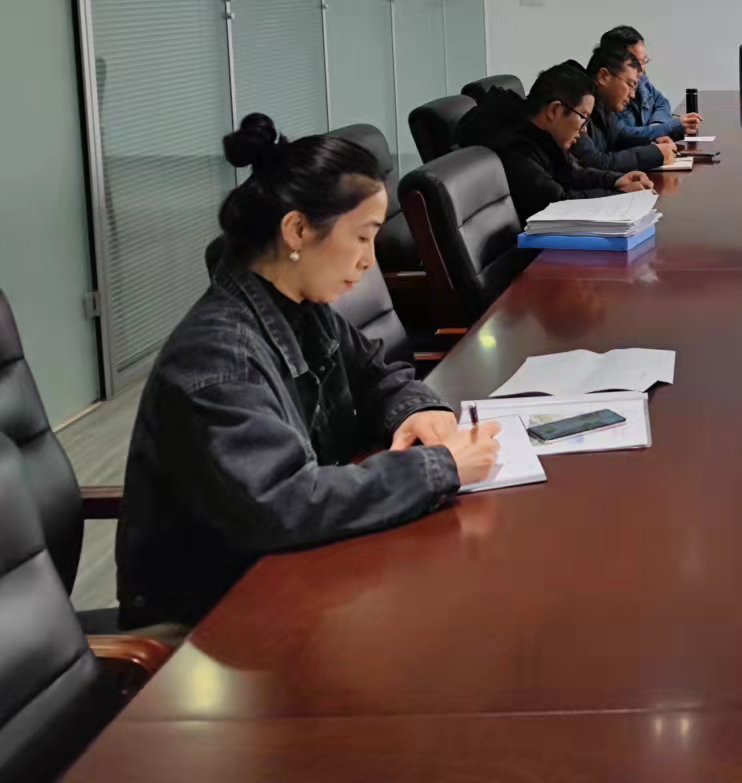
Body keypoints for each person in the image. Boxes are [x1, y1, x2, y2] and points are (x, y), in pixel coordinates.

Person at [117, 114, 501, 626]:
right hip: (213, 618)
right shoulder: (218, 358)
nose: (370, 261)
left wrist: (416, 410)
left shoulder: (298, 304)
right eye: (362, 238)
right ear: (297, 230)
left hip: (293, 572)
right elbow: (284, 504)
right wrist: (440, 468)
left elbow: (376, 371)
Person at [454, 60, 652, 222]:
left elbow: (571, 173)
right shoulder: (512, 147)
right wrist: (621, 197)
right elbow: (557, 202)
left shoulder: (539, 133)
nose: (584, 129)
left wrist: (617, 181)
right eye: (583, 117)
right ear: (555, 110)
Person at [574, 46, 676, 173]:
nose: (632, 95)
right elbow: (594, 163)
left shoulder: (604, 107)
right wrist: (654, 154)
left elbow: (619, 138)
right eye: (630, 85)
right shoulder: (576, 106)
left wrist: (654, 143)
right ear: (604, 76)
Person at [601, 24, 703, 141]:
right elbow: (622, 135)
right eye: (636, 63)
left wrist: (656, 126)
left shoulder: (642, 80)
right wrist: (668, 128)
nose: (642, 69)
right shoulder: (610, 93)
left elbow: (661, 102)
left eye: (644, 61)